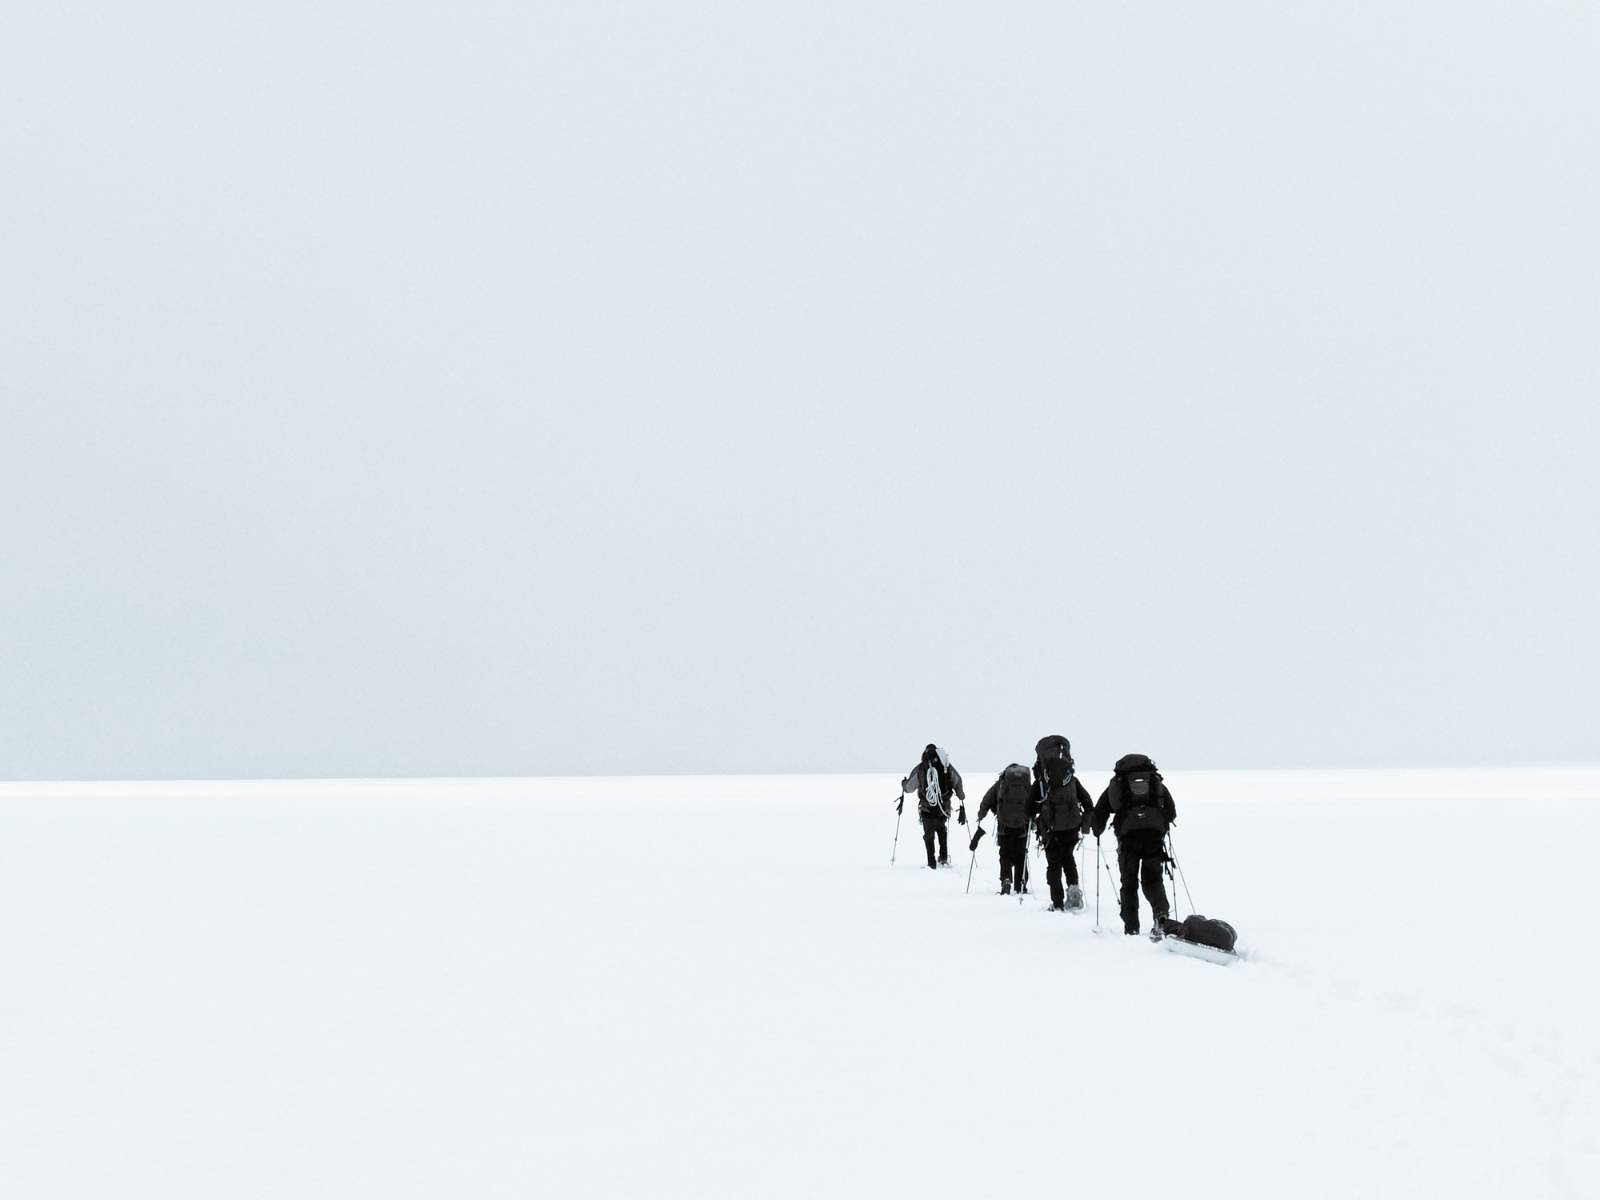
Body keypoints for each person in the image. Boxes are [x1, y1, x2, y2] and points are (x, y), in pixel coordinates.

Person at [1090, 753, 1177, 937]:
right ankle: (1161, 915)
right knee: (1153, 880)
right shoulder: (1154, 780)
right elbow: (1171, 810)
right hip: (1154, 837)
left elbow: (1100, 811)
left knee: (1129, 883)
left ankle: (1131, 928)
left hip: (1128, 839)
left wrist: (1097, 829)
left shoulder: (1118, 783)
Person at [1032, 735, 1092, 911]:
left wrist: (1034, 818)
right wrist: (1086, 825)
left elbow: (1029, 806)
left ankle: (1057, 903)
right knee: (1068, 858)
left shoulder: (1042, 782)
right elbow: (1088, 803)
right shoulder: (1072, 780)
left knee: (1054, 865)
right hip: (1072, 828)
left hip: (1050, 830)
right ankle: (1073, 890)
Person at [900, 744, 966, 869]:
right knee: (941, 830)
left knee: (929, 835)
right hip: (943, 806)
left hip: (927, 807)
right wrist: (961, 795)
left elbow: (909, 787)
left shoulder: (921, 768)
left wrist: (903, 784)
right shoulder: (946, 766)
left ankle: (931, 863)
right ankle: (944, 858)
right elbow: (957, 780)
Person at [975, 763, 1035, 894]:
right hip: (1022, 827)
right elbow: (1034, 801)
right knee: (1021, 855)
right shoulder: (1026, 785)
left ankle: (1006, 880)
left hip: (1004, 826)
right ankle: (1021, 885)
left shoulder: (1001, 783)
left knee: (1005, 854)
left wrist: (981, 815)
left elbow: (987, 799)